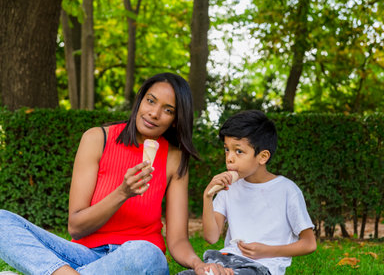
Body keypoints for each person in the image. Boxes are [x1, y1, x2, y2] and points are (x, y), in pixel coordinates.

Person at [0, 73, 230, 275]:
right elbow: (76, 227)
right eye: (150, 101)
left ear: (174, 121)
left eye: (167, 110)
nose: (154, 113)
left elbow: (178, 239)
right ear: (140, 100)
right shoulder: (96, 139)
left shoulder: (174, 159)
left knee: (146, 252)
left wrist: (198, 264)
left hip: (138, 259)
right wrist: (122, 192)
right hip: (84, 254)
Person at [178, 110, 316, 275]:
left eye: (238, 151)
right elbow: (212, 237)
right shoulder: (228, 188)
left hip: (261, 267)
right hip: (225, 259)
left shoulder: (287, 190)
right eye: (226, 150)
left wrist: (267, 251)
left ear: (262, 157)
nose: (229, 158)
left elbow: (309, 243)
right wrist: (207, 197)